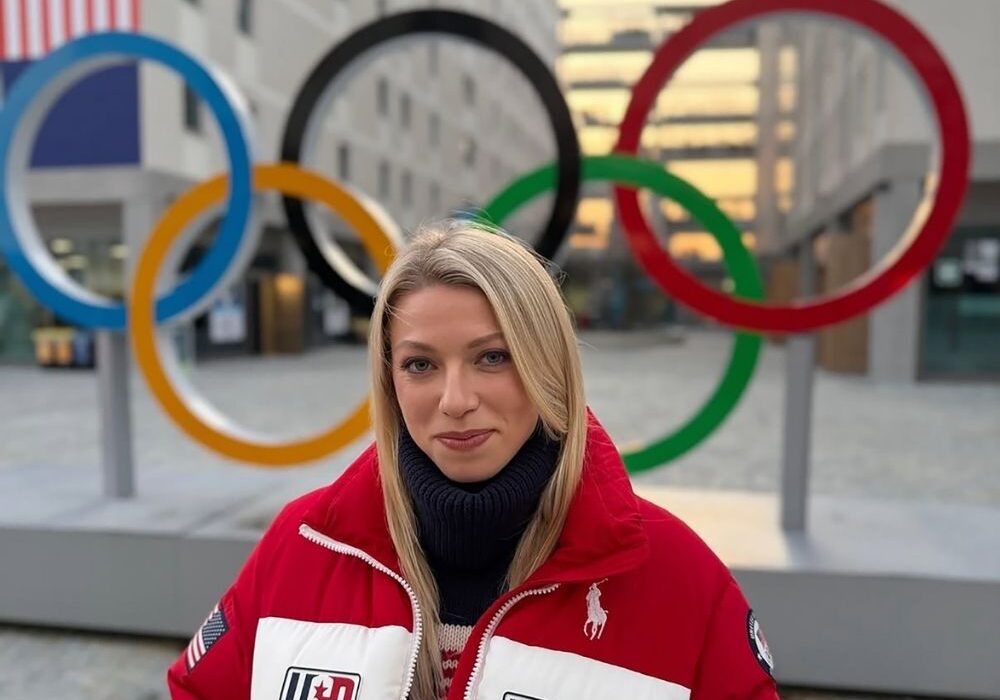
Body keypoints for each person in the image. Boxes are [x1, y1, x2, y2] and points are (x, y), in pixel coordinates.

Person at [167, 220, 779, 700]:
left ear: (550, 366)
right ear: (389, 380)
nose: (455, 402)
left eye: (493, 358)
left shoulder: (677, 579)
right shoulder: (302, 546)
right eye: (420, 364)